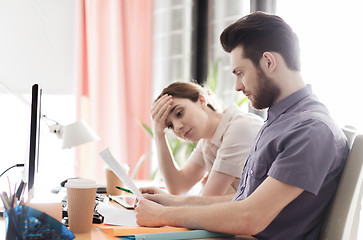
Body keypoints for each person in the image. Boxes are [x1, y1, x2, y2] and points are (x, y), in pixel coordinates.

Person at [135, 11, 349, 240]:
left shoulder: (310, 130)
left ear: (268, 62)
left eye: (240, 73)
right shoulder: (280, 122)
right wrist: (173, 203)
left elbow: (250, 217)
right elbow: (244, 201)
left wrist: (165, 215)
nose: (237, 86)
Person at [151, 81, 263, 196]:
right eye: (170, 126)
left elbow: (207, 199)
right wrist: (159, 134)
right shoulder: (208, 142)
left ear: (201, 100)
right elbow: (178, 187)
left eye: (179, 113)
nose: (177, 127)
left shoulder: (239, 127)